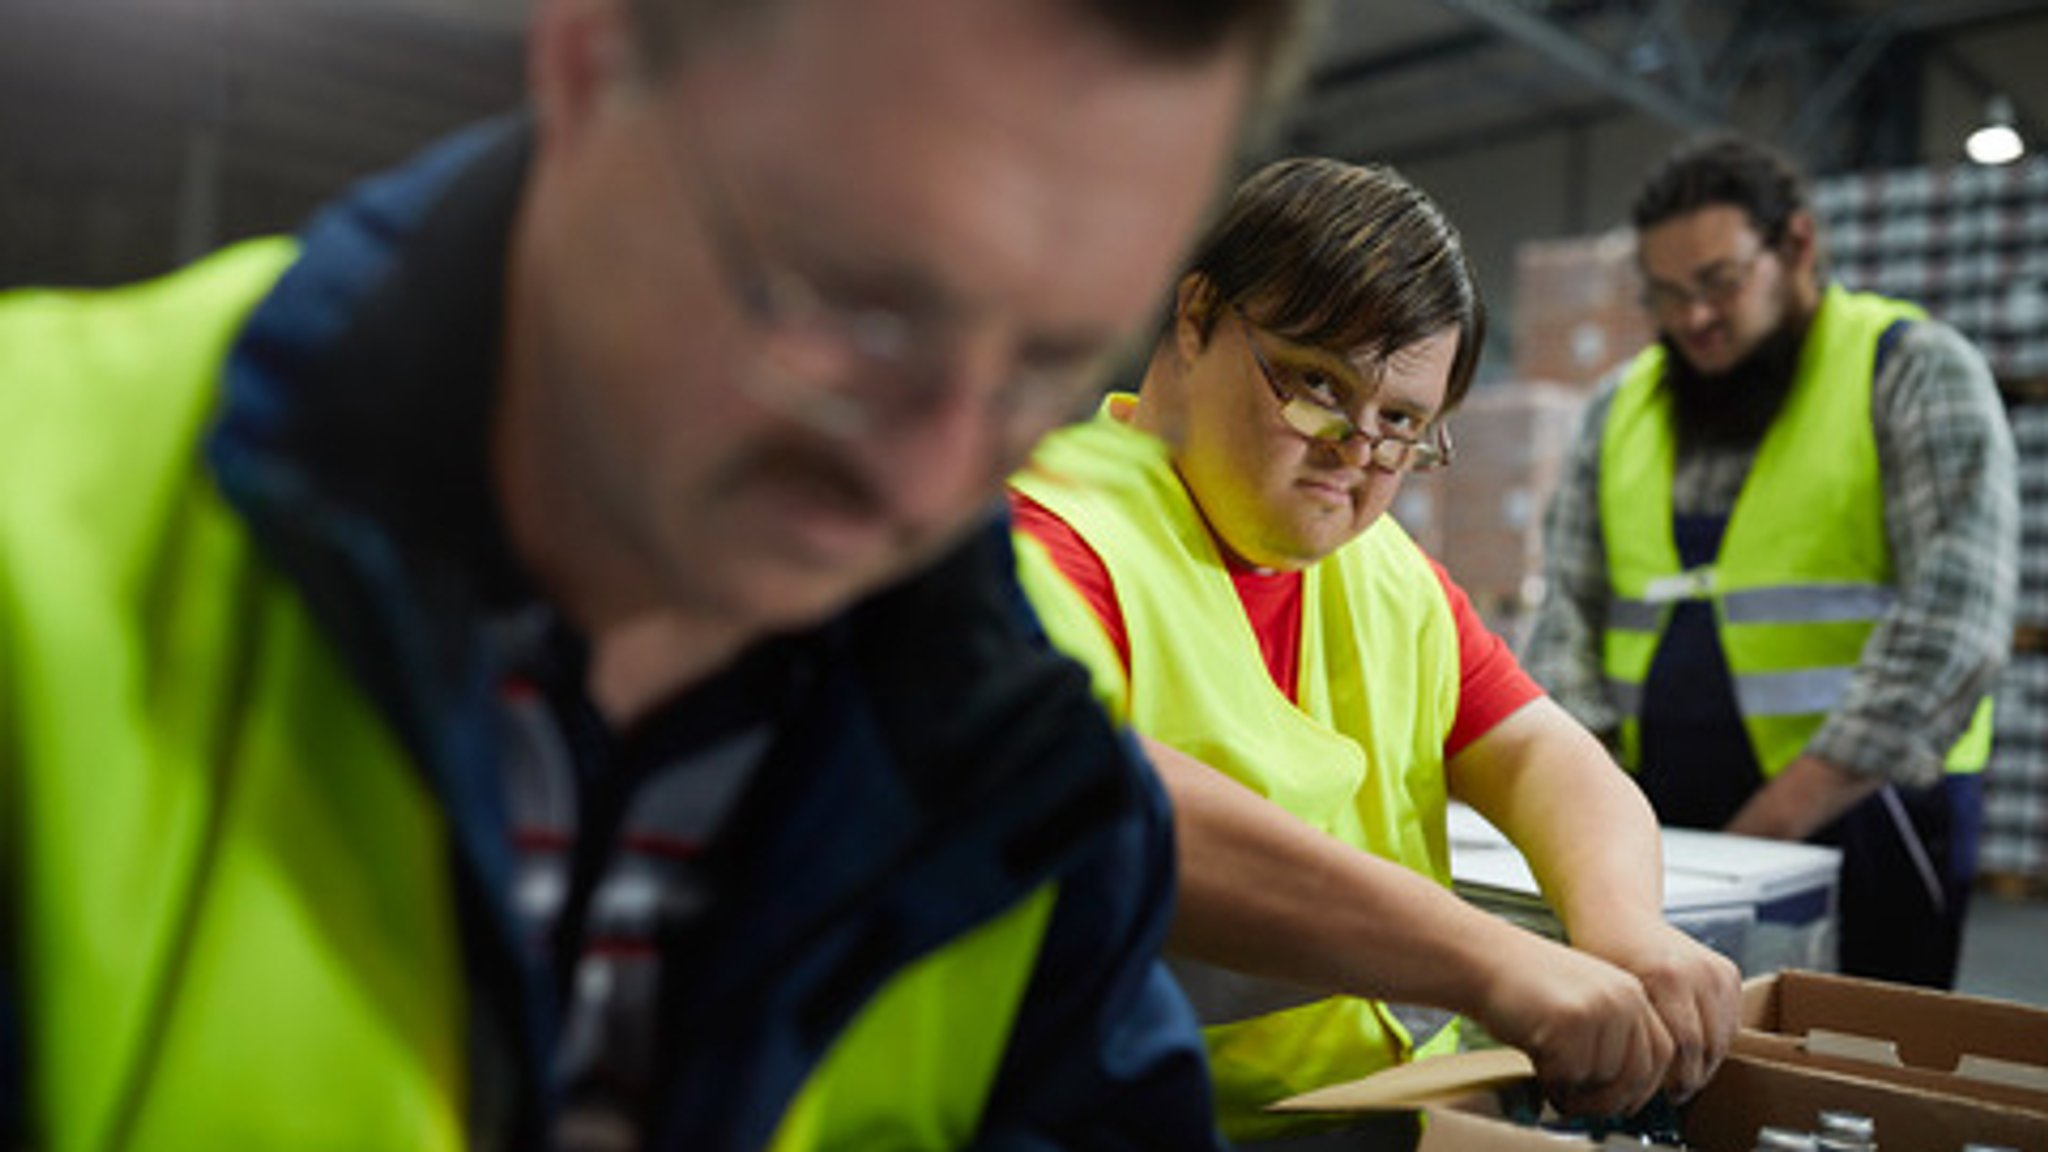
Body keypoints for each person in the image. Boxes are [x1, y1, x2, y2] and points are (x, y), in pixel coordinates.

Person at [0, 0, 1308, 1147]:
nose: (926, 482)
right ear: (587, 65)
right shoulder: (39, 539)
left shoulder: (1010, 739)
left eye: (1046, 368)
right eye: (853, 307)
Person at [1008, 157, 1740, 1144]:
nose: (1351, 452)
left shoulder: (1384, 573)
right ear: (1195, 317)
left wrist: (1622, 926)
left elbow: (1537, 752)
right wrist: (1491, 960)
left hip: (1384, 1113)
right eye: (1314, 384)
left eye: (1399, 424)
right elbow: (1114, 802)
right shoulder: (1044, 545)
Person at [1523, 134, 2019, 990]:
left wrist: (1772, 826)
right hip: (1656, 817)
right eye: (1668, 296)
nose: (1695, 319)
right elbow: (1567, 610)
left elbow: (1956, 617)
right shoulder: (1620, 407)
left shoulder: (1909, 370)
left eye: (1719, 283)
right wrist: (1594, 800)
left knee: (1857, 1079)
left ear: (1796, 246)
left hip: (1869, 815)